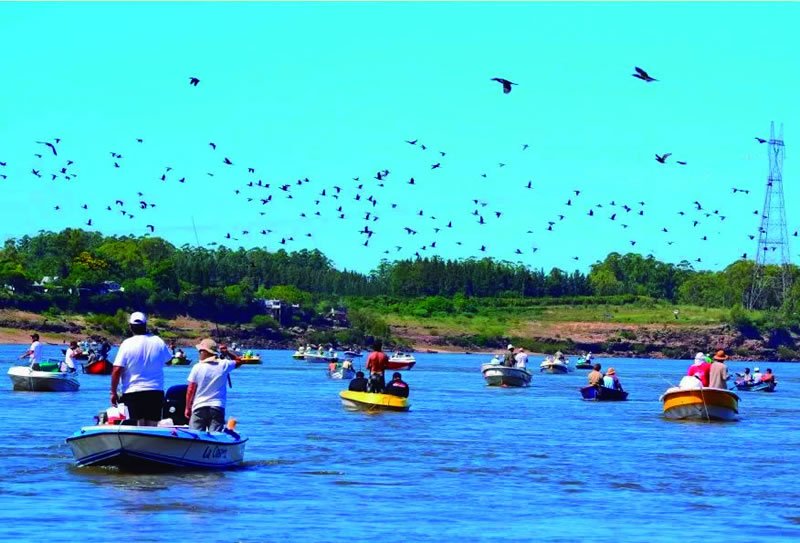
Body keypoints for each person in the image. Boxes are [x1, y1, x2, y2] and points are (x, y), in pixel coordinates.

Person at [110, 312, 172, 426]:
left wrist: (113, 392)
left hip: (132, 392)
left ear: (130, 327)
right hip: (155, 391)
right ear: (145, 325)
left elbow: (117, 369)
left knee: (135, 426)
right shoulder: (158, 341)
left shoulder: (127, 344)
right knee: (152, 426)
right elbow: (169, 361)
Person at [185, 338, 243, 432]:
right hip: (217, 406)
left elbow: (190, 389)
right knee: (215, 436)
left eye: (201, 351)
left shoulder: (197, 367)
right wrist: (227, 352)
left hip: (199, 406)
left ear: (205, 352)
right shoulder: (224, 364)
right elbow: (239, 361)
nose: (199, 353)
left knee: (195, 435)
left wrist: (187, 408)